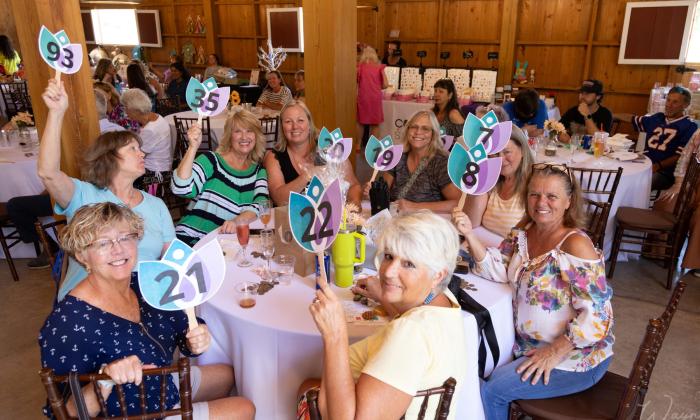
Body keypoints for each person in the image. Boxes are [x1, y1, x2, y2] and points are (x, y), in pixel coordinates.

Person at [38, 202, 255, 419]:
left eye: (125, 237)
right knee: (245, 408)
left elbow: (182, 328)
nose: (118, 249)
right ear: (83, 255)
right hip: (133, 411)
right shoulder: (66, 323)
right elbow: (66, 412)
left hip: (159, 385)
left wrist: (194, 339)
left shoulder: (143, 285)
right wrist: (105, 379)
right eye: (103, 243)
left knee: (228, 375)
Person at [453, 163, 614, 420]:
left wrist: (554, 352)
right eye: (534, 194)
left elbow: (599, 318)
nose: (541, 202)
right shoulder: (523, 235)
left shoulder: (575, 245)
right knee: (476, 368)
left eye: (552, 196)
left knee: (492, 390)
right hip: (529, 346)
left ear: (568, 202)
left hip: (575, 357)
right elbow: (500, 269)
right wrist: (469, 235)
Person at [297, 210, 468, 420]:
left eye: (409, 264)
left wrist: (335, 334)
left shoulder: (410, 333)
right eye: (389, 256)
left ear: (438, 274)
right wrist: (384, 295)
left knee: (304, 386)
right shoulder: (444, 301)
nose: (388, 272)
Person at [37, 79, 175, 301]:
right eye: (132, 149)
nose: (142, 154)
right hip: (89, 301)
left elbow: (169, 260)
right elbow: (48, 173)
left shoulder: (156, 205)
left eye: (140, 149)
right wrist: (56, 113)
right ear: (109, 157)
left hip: (143, 299)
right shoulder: (83, 195)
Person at [171, 109, 269, 246]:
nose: (244, 136)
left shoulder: (259, 171)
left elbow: (261, 205)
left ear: (257, 136)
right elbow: (180, 188)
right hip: (193, 239)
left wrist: (237, 221)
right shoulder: (212, 161)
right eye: (237, 131)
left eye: (249, 131)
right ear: (229, 136)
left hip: (228, 243)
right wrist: (192, 148)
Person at [264, 100, 362, 207]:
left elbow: (353, 186)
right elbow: (279, 199)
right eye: (288, 122)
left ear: (309, 124)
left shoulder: (329, 147)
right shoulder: (273, 157)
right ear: (282, 128)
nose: (295, 126)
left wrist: (354, 204)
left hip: (331, 216)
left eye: (300, 120)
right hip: (292, 220)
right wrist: (308, 174)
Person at [366, 110, 461, 212]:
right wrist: (374, 193)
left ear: (433, 134)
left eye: (425, 128)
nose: (418, 132)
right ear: (407, 130)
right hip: (394, 219)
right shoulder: (397, 155)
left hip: (426, 223)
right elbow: (385, 192)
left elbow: (457, 203)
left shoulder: (440, 162)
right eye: (414, 127)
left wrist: (414, 207)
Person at [464, 126, 533, 238]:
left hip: (512, 253)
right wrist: (480, 180)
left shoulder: (533, 185)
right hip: (484, 249)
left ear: (523, 151)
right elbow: (471, 223)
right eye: (495, 153)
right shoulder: (491, 181)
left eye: (507, 152)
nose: (500, 159)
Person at [654, 128, 700, 277]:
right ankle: (661, 253)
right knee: (667, 202)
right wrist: (679, 182)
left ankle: (696, 264)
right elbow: (684, 158)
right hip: (691, 182)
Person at [632, 86, 696, 191]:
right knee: (618, 174)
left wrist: (657, 166)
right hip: (644, 163)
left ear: (685, 105)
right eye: (668, 100)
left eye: (675, 102)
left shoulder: (689, 126)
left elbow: (679, 156)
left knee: (639, 184)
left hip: (664, 171)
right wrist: (613, 115)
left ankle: (632, 206)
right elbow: (635, 122)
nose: (668, 105)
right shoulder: (658, 117)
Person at [121, 88, 173, 191]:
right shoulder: (157, 117)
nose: (125, 112)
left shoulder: (150, 130)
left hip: (155, 175)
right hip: (163, 167)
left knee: (121, 176)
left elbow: (138, 155)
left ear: (134, 110)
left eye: (126, 108)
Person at [6, 192, 56, 269]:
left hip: (70, 194)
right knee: (15, 205)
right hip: (67, 192)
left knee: (14, 205)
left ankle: (50, 247)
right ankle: (50, 246)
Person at [357, 46, 388, 142]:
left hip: (363, 97)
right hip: (375, 98)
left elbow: (355, 82)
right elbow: (386, 85)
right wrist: (377, 86)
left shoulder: (359, 67)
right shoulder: (379, 67)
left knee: (360, 122)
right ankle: (372, 146)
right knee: (375, 123)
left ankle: (357, 146)